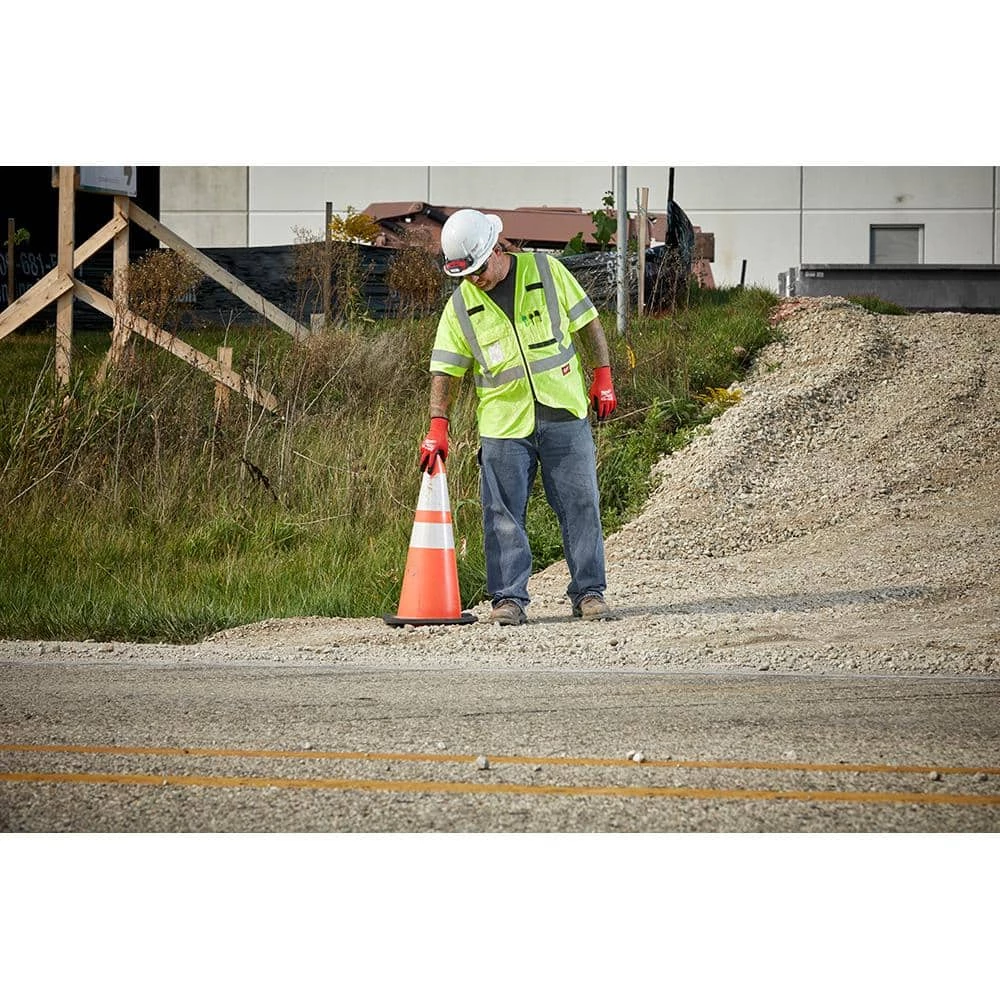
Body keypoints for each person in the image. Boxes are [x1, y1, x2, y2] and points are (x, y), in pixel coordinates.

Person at [418, 208, 617, 626]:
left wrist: (603, 376)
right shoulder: (460, 305)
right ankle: (508, 599)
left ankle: (589, 592)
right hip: (503, 424)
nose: (474, 279)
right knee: (502, 515)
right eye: (465, 273)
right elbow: (445, 369)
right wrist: (438, 424)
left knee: (581, 504)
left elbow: (588, 322)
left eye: (477, 269)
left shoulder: (547, 270)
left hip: (564, 411)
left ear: (495, 249)